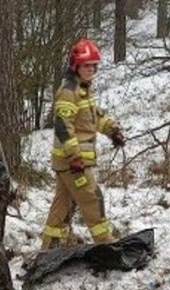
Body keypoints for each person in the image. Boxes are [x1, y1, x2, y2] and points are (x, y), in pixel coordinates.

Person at [41, 38, 125, 250]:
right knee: (92, 199)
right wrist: (74, 156)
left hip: (69, 163)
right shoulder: (68, 91)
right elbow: (62, 126)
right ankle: (106, 246)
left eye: (94, 65)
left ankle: (49, 250)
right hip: (73, 163)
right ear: (75, 66)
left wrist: (112, 131)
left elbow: (94, 118)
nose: (91, 69)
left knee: (62, 207)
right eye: (87, 65)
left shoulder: (83, 89)